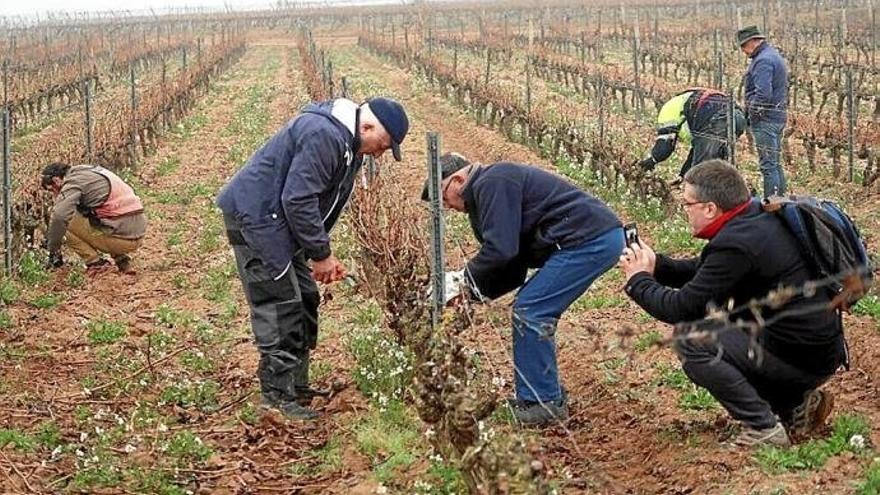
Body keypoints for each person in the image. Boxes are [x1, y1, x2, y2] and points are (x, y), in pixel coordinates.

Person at [619, 160, 844, 447]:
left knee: (691, 339)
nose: (685, 211)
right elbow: (702, 271)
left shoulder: (737, 244)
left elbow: (680, 309)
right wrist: (655, 264)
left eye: (687, 204)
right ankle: (797, 403)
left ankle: (764, 427)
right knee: (725, 325)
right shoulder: (755, 218)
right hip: (813, 351)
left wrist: (638, 280)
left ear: (710, 208)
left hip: (799, 358)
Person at [217, 96, 409, 420]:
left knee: (305, 297)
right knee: (280, 307)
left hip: (279, 225)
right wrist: (321, 254)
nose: (380, 153)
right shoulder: (325, 135)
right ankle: (276, 398)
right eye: (383, 144)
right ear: (366, 126)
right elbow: (299, 198)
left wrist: (316, 250)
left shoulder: (349, 147)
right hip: (258, 221)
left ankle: (296, 386)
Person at [423, 152, 623, 427]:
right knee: (530, 307)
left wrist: (461, 281)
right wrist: (469, 295)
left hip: (589, 240)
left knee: (532, 309)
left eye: (444, 197)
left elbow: (501, 250)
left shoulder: (493, 182)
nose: (447, 206)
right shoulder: (485, 193)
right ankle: (538, 397)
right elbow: (512, 265)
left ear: (457, 179)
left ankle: (544, 403)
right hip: (585, 240)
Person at [41, 163, 146, 274]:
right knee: (97, 214)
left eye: (52, 190)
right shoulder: (90, 170)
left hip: (123, 238)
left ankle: (95, 263)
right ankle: (121, 260)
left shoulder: (73, 182)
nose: (54, 195)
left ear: (56, 180)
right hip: (137, 232)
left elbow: (59, 217)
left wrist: (53, 250)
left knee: (63, 222)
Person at [637, 88, 746, 179]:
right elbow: (696, 152)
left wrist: (652, 160)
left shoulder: (668, 109)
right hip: (738, 117)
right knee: (720, 166)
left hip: (717, 118)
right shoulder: (691, 105)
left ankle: (704, 201)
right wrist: (682, 175)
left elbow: (665, 145)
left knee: (701, 173)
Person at [738, 25, 789, 198]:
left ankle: (772, 204)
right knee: (775, 163)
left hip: (766, 120)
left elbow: (763, 94)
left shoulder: (763, 61)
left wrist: (753, 113)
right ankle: (780, 200)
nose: (744, 51)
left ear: (753, 41)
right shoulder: (772, 55)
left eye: (744, 46)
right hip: (777, 115)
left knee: (768, 165)